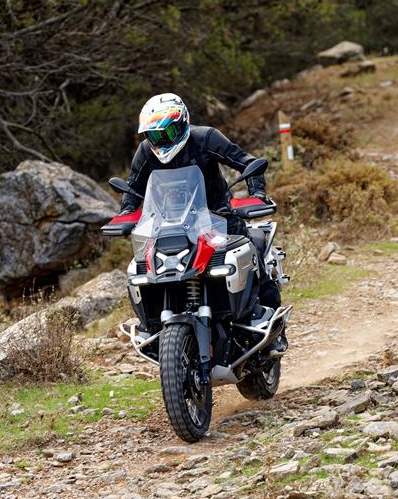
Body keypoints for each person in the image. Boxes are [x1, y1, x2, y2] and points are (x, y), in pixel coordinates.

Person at [119, 93, 287, 356]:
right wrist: (127, 212)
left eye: (168, 132)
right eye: (154, 135)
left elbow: (247, 162)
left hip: (218, 216)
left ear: (184, 122)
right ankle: (151, 327)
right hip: (168, 224)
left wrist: (257, 193)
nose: (161, 140)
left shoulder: (205, 138)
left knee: (252, 257)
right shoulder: (145, 152)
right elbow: (133, 189)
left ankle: (270, 328)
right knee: (142, 272)